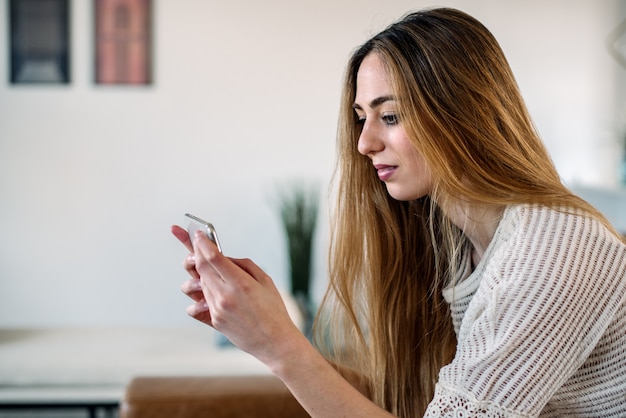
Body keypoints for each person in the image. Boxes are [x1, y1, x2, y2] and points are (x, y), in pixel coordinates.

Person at [171, 7, 626, 417]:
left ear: (461, 115)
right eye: (361, 117)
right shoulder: (459, 244)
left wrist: (281, 347)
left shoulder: (551, 248)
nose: (364, 143)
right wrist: (264, 331)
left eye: (389, 116)